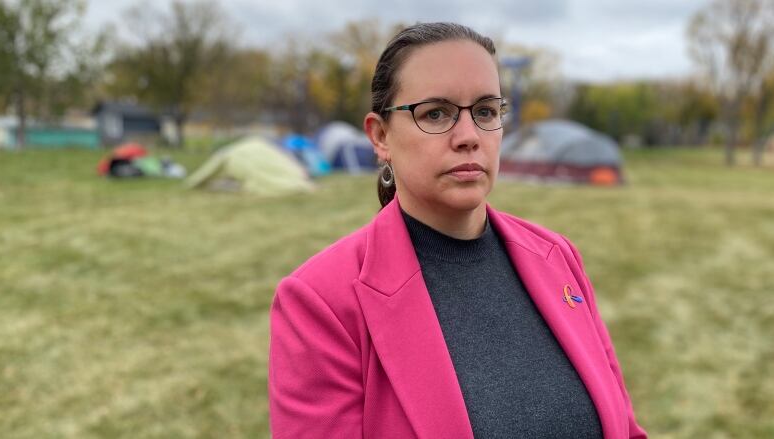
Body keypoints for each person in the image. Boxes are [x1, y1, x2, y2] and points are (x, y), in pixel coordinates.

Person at [269, 22, 647, 439]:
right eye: (436, 113)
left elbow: (625, 429)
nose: (469, 137)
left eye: (485, 111)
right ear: (380, 137)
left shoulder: (558, 258)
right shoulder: (321, 302)